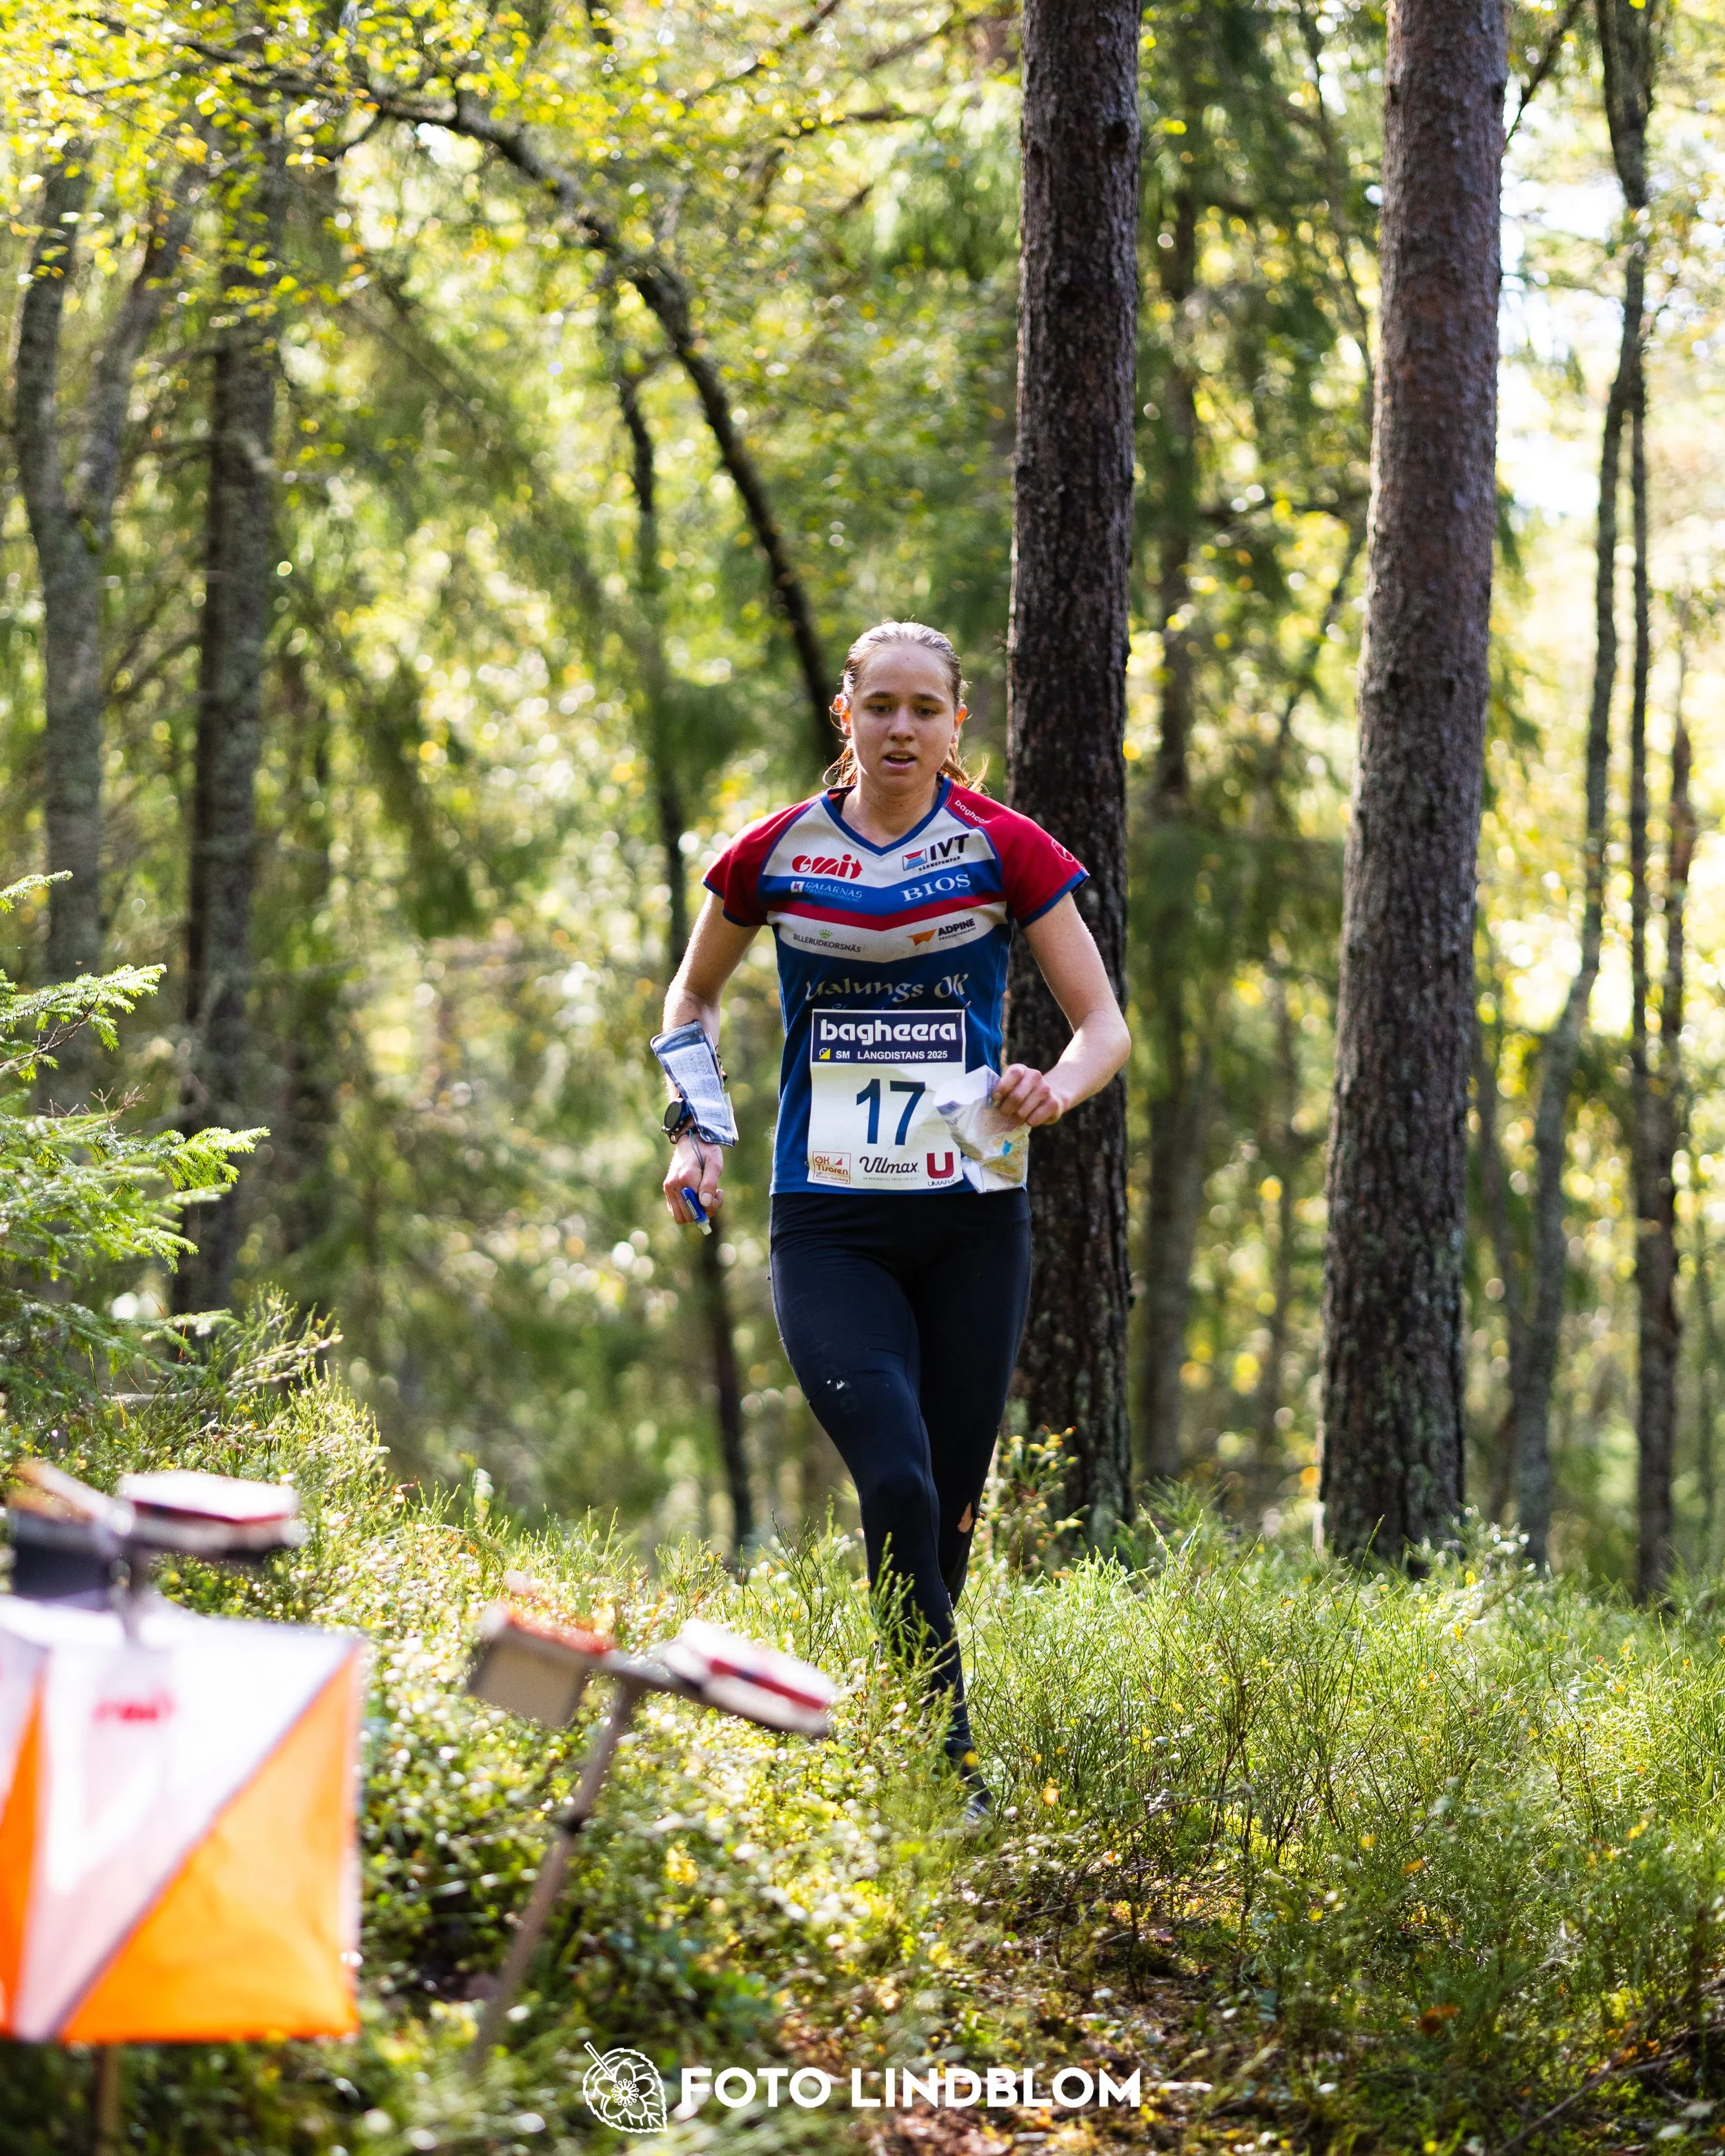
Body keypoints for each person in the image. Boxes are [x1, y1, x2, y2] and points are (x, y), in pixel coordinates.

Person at [658, 620, 1130, 1814]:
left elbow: (1103, 1028)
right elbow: (693, 995)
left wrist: (1049, 1088)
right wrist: (697, 1127)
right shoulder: (777, 852)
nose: (903, 730)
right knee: (901, 1481)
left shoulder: (1002, 848)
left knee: (952, 1510)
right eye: (882, 708)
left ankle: (902, 1731)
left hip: (973, 1216)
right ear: (846, 715)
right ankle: (948, 1768)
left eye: (927, 709)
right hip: (830, 1222)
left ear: (956, 724)